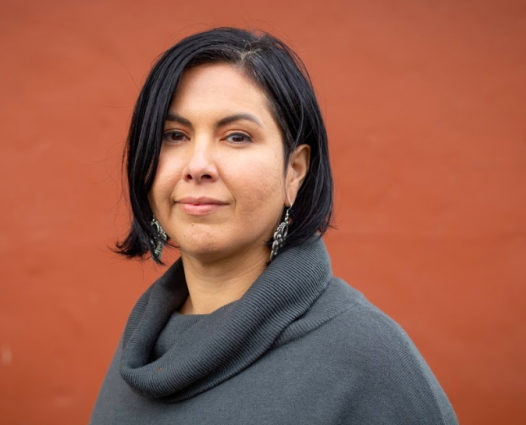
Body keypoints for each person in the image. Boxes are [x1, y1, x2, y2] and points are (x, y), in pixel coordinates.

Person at [90, 27, 458, 425]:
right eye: (174, 135)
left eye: (236, 137)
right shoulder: (141, 346)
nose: (198, 166)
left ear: (294, 171)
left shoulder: (369, 360)